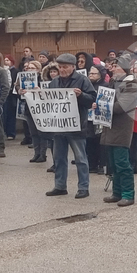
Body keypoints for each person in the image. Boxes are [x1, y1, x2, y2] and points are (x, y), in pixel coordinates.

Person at [43, 53, 96, 197]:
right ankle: (60, 186)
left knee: (80, 158)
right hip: (59, 125)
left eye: (65, 67)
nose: (62, 70)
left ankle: (83, 187)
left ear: (73, 67)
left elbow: (92, 99)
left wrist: (81, 96)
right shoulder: (54, 83)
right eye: (60, 67)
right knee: (59, 158)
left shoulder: (82, 80)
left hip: (77, 126)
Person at [100, 56, 137, 207]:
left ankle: (128, 194)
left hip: (122, 127)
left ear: (124, 69)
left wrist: (102, 105)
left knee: (122, 163)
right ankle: (116, 193)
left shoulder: (131, 84)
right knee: (113, 163)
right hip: (110, 126)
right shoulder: (114, 82)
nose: (113, 69)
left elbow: (121, 107)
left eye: (116, 66)